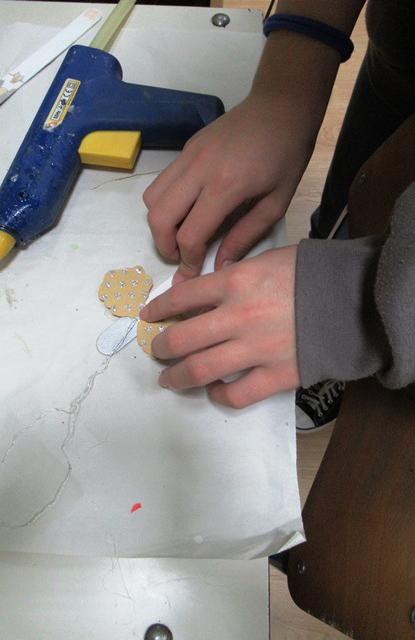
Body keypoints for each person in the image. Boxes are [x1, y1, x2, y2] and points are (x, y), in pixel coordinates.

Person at [139, 0, 415, 420]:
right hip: (400, 63)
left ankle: (349, 363)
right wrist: (288, 85)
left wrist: (354, 307)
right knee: (348, 206)